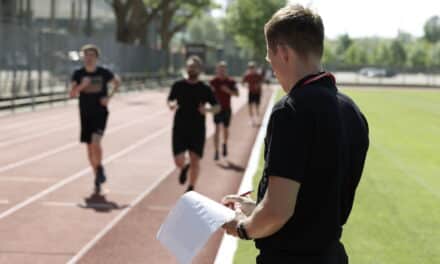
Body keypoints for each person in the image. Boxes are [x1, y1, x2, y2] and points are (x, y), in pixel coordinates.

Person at [222, 5, 369, 264]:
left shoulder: (291, 109)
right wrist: (257, 209)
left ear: (282, 52)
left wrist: (242, 226)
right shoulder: (352, 111)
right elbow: (314, 202)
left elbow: (278, 212)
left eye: (270, 58)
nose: (272, 67)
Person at [70, 44, 120, 193]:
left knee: (96, 141)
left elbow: (117, 82)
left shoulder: (103, 72)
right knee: (90, 148)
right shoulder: (78, 74)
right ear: (83, 57)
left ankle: (99, 169)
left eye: (92, 55)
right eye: (86, 55)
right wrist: (81, 86)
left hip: (100, 112)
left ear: (96, 57)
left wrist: (109, 97)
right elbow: (71, 94)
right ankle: (97, 174)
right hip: (85, 113)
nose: (89, 58)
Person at [167, 56, 220, 192]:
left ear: (199, 69)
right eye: (190, 66)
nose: (192, 69)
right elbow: (170, 100)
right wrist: (171, 104)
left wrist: (206, 110)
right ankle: (184, 167)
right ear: (186, 68)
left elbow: (217, 107)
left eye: (194, 66)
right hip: (179, 127)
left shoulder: (205, 88)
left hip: (197, 129)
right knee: (179, 160)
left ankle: (191, 187)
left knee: (195, 160)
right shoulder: (178, 85)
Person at [210, 61, 239, 161]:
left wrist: (228, 91)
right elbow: (208, 95)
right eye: (219, 70)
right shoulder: (213, 82)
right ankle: (216, 151)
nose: (221, 71)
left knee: (225, 130)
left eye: (223, 70)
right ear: (217, 70)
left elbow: (237, 94)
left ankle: (225, 144)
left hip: (227, 109)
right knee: (217, 130)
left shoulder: (231, 81)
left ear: (226, 70)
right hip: (216, 109)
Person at [242, 61, 264, 125]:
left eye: (253, 67)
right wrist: (246, 86)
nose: (251, 69)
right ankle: (252, 120)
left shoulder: (258, 75)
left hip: (257, 93)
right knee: (250, 106)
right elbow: (242, 83)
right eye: (250, 67)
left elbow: (262, 81)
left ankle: (257, 119)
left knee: (257, 106)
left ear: (255, 68)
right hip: (251, 92)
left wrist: (258, 85)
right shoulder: (247, 75)